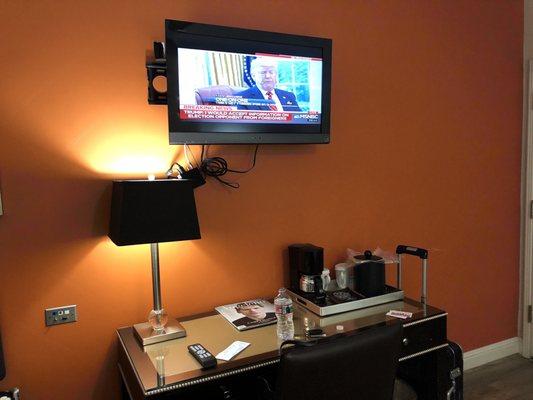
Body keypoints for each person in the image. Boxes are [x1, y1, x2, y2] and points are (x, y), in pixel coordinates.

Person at [236, 57, 301, 112]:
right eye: (263, 72)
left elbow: (300, 120)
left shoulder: (289, 96)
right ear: (253, 76)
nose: (268, 76)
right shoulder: (241, 98)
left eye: (271, 72)